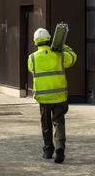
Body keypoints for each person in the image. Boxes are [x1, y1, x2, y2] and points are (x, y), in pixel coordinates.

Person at [28, 28, 77, 164]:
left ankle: (48, 151)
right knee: (59, 122)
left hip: (43, 99)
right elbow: (72, 58)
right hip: (60, 96)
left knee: (46, 124)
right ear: (49, 39)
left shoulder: (32, 58)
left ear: (35, 42)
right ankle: (60, 148)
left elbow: (31, 69)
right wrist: (62, 46)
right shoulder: (60, 55)